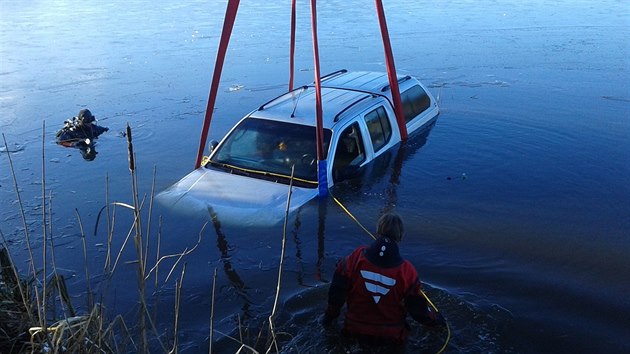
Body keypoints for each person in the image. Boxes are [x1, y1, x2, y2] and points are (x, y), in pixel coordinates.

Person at [323, 212, 445, 346]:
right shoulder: (407, 272)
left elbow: (336, 293)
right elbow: (419, 313)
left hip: (353, 332)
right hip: (391, 340)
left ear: (378, 231)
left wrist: (328, 319)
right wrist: (438, 320)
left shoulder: (355, 258)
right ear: (400, 236)